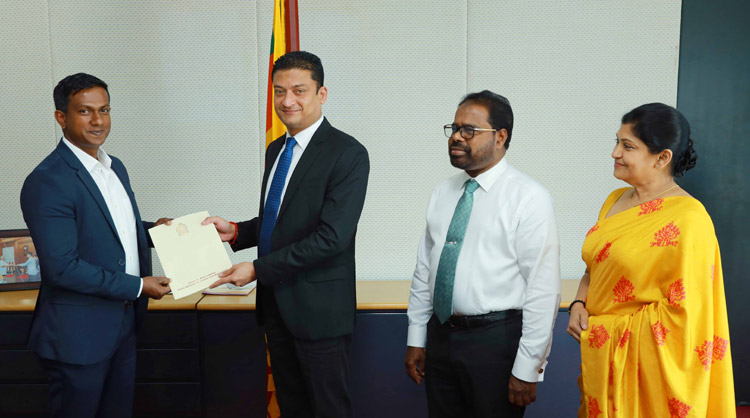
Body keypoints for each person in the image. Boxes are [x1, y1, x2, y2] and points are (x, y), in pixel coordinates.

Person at [204, 51, 370, 418]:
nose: (287, 101)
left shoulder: (347, 153)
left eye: (299, 90)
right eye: (279, 91)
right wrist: (236, 231)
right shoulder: (277, 148)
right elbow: (280, 219)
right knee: (292, 409)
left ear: (322, 94)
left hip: (320, 312)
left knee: (327, 410)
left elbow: (332, 238)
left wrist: (257, 269)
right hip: (276, 308)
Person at [567, 103, 735, 417]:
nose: (615, 153)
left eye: (628, 146)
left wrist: (604, 329)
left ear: (662, 158)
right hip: (600, 365)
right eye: (616, 142)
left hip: (650, 375)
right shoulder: (614, 201)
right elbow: (595, 267)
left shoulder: (689, 219)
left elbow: (686, 316)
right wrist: (578, 303)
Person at [20, 73, 172, 418]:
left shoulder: (115, 167)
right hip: (77, 336)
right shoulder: (47, 181)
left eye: (104, 110)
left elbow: (115, 232)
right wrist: (139, 286)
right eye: (85, 111)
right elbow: (63, 268)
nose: (98, 121)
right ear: (61, 117)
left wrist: (158, 232)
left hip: (122, 324)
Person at [405, 90, 561, 417]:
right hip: (441, 337)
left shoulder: (529, 197)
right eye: (454, 128)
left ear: (500, 137)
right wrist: (417, 337)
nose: (457, 137)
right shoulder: (443, 191)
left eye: (469, 130)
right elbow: (425, 269)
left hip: (495, 343)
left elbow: (543, 289)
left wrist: (528, 367)